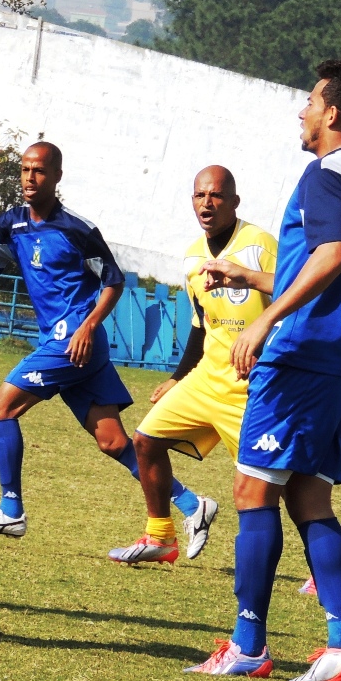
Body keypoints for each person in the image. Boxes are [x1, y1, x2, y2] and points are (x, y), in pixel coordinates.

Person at [186, 60, 341, 681]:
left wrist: (263, 319)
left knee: (251, 493)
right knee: (308, 496)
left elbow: (332, 254)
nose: (301, 111)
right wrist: (250, 278)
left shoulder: (323, 173)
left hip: (301, 358)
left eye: (309, 100)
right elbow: (326, 271)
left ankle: (248, 645)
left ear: (331, 113)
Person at [0, 142, 209, 545]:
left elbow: (114, 280)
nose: (29, 178)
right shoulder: (12, 224)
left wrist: (88, 326)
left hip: (72, 340)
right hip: (67, 346)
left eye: (39, 170)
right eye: (24, 170)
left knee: (1, 408)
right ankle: (193, 504)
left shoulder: (76, 228)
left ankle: (10, 510)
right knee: (112, 442)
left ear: (56, 176)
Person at [108, 166, 277, 564]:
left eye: (216, 196)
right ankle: (159, 537)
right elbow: (202, 327)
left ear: (234, 201)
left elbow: (297, 295)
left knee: (276, 484)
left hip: (251, 387)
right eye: (200, 196)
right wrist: (176, 378)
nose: (207, 203)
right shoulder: (191, 258)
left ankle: (320, 571)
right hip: (206, 380)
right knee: (145, 440)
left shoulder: (260, 245)